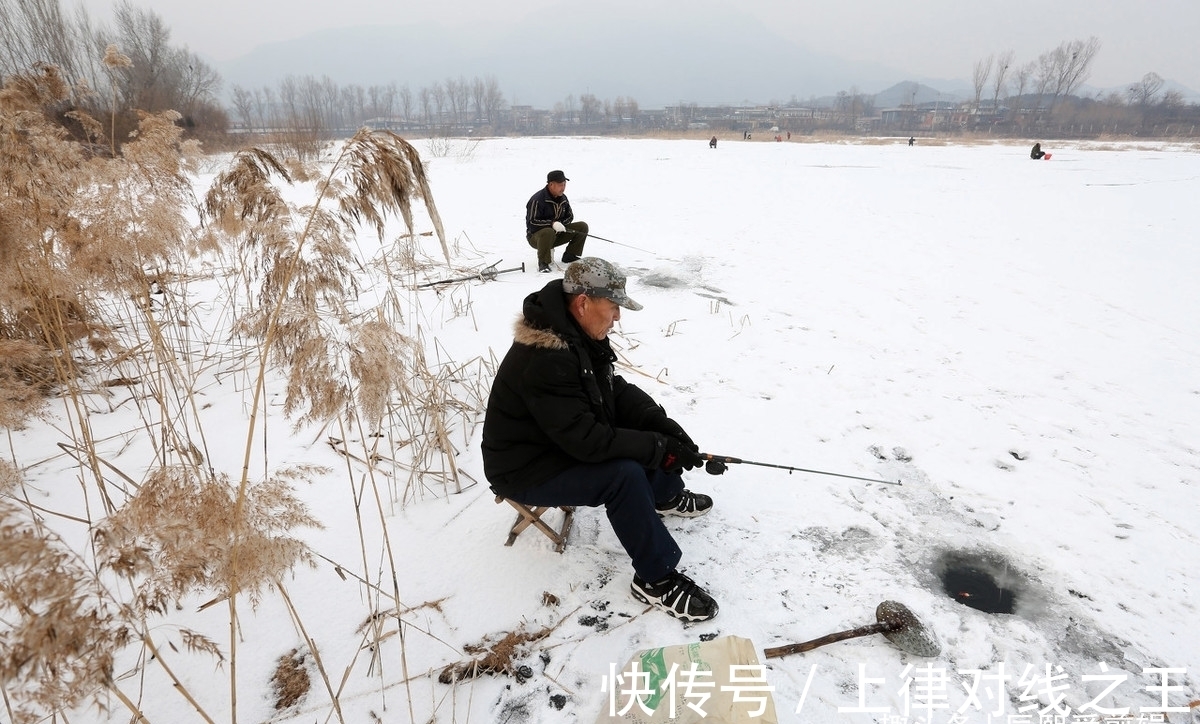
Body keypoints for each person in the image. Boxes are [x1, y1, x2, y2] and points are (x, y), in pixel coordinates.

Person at [482, 257, 718, 622]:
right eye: (613, 307)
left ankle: (665, 496)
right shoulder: (546, 359)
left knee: (643, 437)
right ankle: (655, 579)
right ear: (583, 303)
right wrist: (657, 449)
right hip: (525, 468)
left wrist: (663, 428)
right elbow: (588, 442)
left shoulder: (574, 333)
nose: (618, 317)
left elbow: (613, 390)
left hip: (555, 443)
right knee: (622, 475)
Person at [526, 170, 588, 273]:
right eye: (560, 184)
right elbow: (532, 223)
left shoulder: (563, 198)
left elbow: (570, 216)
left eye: (564, 184)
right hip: (536, 238)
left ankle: (570, 255)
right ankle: (543, 263)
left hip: (557, 234)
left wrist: (561, 224)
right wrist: (552, 224)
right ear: (551, 184)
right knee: (548, 232)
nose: (563, 187)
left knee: (582, 226)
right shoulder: (537, 200)